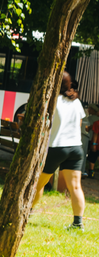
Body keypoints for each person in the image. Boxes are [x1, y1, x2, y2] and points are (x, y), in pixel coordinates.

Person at [33, 72, 87, 230]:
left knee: (39, 184)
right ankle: (78, 223)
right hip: (76, 148)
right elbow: (79, 124)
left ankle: (27, 211)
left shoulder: (53, 101)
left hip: (57, 147)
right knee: (75, 187)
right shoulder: (76, 102)